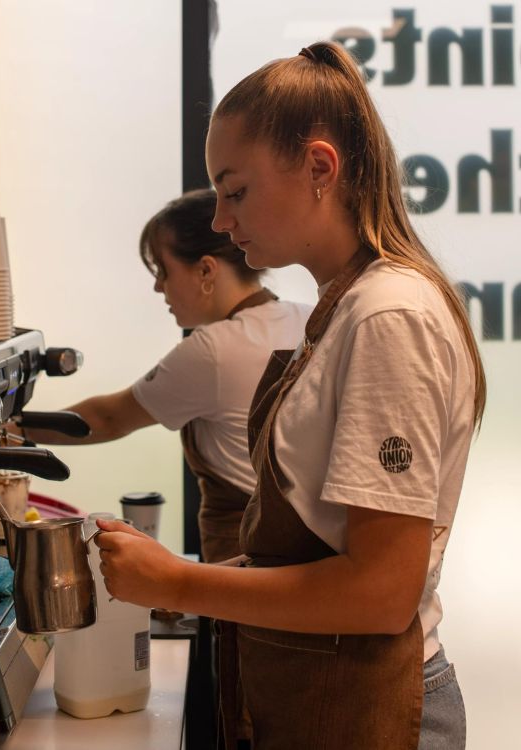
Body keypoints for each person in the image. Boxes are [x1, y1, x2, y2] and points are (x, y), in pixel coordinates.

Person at [94, 41, 485, 750]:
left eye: (235, 190)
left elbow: (380, 592)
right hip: (325, 698)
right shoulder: (340, 310)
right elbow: (308, 551)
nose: (219, 219)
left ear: (319, 168)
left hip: (379, 708)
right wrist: (177, 570)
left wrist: (178, 589)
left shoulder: (388, 315)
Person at [18, 188, 311, 563]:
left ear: (206, 269)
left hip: (249, 564)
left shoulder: (214, 350)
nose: (159, 287)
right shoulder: (305, 316)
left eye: (163, 270)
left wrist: (9, 432)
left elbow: (108, 418)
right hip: (307, 558)